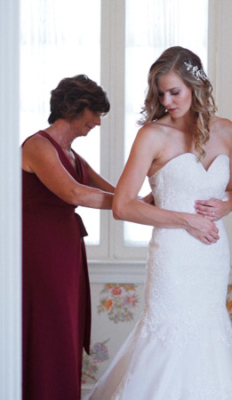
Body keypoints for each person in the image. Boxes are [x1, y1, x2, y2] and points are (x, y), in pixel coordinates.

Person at [86, 47, 232, 399]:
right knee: (168, 333)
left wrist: (223, 208)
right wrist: (186, 219)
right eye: (161, 92)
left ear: (196, 86)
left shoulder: (228, 132)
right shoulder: (152, 136)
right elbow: (123, 206)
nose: (167, 100)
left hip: (211, 255)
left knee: (208, 334)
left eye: (174, 91)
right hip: (174, 258)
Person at [21, 75, 115, 400]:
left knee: (66, 329)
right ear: (77, 106)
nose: (98, 122)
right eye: (96, 112)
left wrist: (152, 202)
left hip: (66, 251)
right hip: (40, 251)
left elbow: (114, 192)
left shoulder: (72, 155)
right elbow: (75, 192)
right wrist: (129, 205)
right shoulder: (37, 145)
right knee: (51, 328)